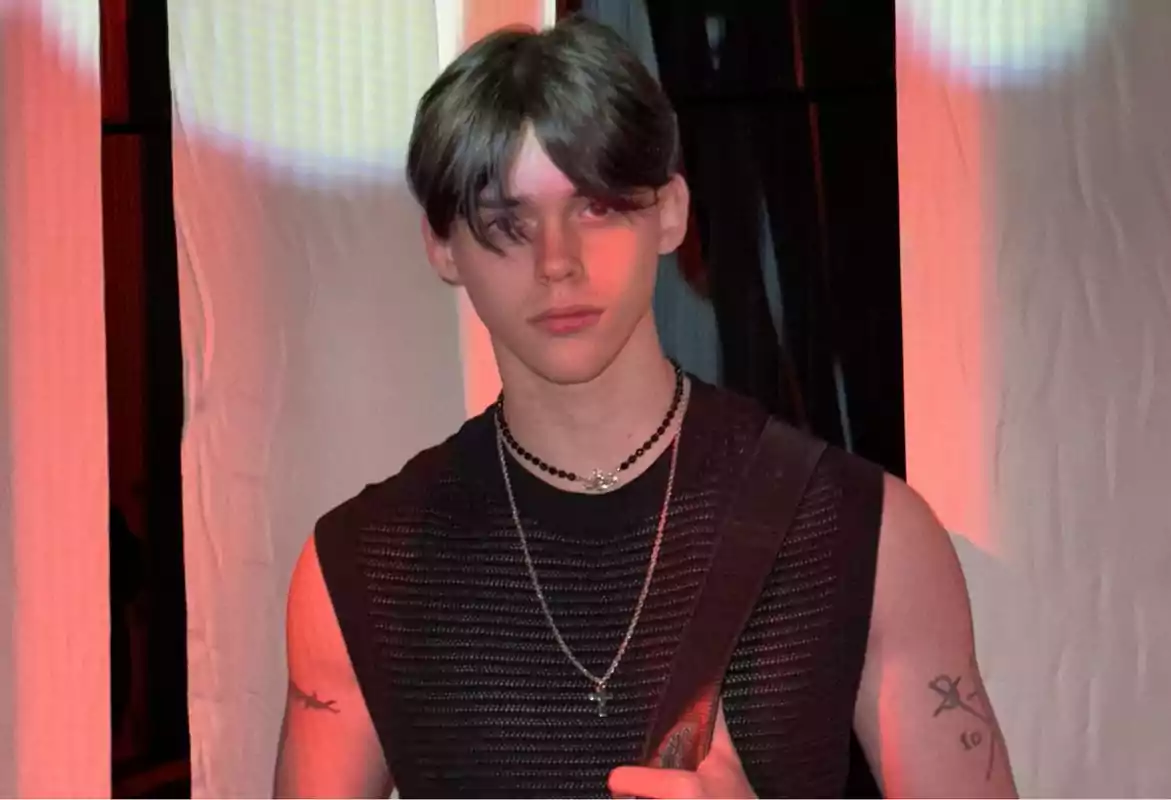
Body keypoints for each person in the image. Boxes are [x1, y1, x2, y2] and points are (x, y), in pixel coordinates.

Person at [273, 15, 1017, 799]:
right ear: (442, 246)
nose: (557, 263)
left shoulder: (863, 530)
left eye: (595, 206)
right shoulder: (360, 568)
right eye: (506, 223)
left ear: (669, 213)